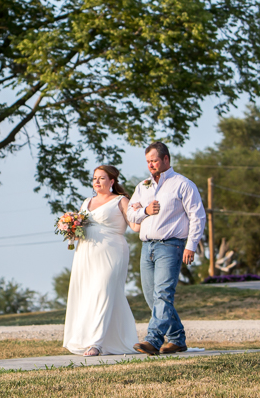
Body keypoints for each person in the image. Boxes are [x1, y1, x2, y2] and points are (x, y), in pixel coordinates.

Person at [127, 142, 206, 355]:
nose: (151, 165)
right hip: (147, 246)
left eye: (154, 160)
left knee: (163, 294)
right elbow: (130, 214)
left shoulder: (183, 184)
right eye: (148, 161)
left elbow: (197, 216)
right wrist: (145, 210)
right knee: (151, 296)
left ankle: (152, 340)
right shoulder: (142, 186)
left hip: (171, 245)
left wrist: (191, 246)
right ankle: (177, 339)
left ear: (166, 159)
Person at [62, 165, 143, 357]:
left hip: (112, 251)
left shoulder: (121, 200)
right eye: (94, 178)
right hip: (86, 252)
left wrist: (141, 212)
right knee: (92, 294)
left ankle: (96, 344)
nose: (97, 182)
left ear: (112, 181)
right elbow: (80, 226)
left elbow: (135, 226)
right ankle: (109, 340)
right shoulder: (87, 202)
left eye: (102, 178)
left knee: (104, 291)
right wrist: (69, 227)